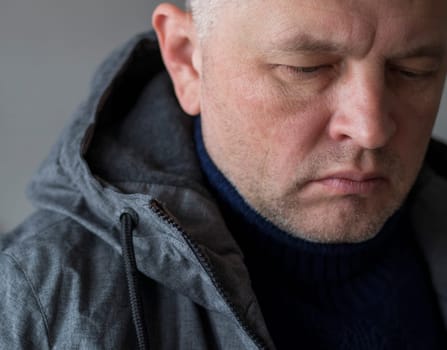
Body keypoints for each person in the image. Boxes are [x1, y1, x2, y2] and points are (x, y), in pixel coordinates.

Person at [1, 0, 447, 348]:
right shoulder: (33, 306)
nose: (371, 129)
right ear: (188, 61)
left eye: (413, 72)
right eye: (306, 68)